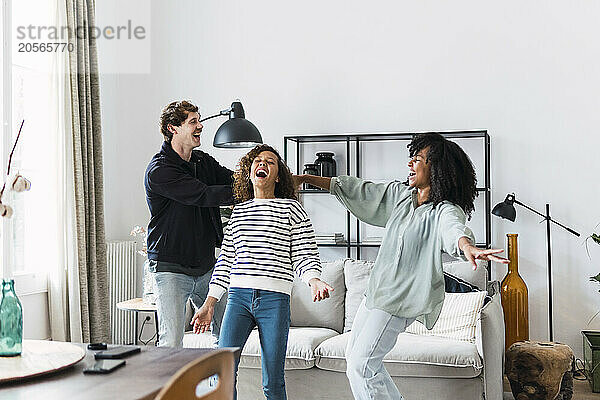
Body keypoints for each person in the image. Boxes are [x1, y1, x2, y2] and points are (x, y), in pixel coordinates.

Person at [294, 133, 509, 400]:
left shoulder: (443, 210)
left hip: (399, 299)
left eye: (418, 159)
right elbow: (357, 189)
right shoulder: (401, 196)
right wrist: (304, 179)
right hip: (375, 294)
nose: (410, 164)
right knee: (355, 358)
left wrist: (466, 246)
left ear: (437, 169)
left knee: (362, 364)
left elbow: (453, 230)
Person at [192, 144, 333, 400]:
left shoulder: (292, 209)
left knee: (272, 380)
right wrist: (210, 303)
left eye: (270, 162)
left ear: (278, 176)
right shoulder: (239, 213)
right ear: (249, 172)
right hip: (238, 298)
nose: (263, 165)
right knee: (223, 373)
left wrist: (313, 279)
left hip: (274, 301)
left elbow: (305, 253)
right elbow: (225, 262)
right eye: (258, 161)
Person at [144, 100, 233, 347]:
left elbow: (233, 180)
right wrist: (247, 190)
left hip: (206, 265)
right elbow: (203, 195)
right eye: (193, 121)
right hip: (170, 266)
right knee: (171, 341)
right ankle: (170, 387)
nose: (200, 126)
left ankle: (222, 386)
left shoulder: (203, 162)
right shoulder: (160, 170)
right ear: (173, 128)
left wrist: (262, 179)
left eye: (199, 120)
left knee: (228, 334)